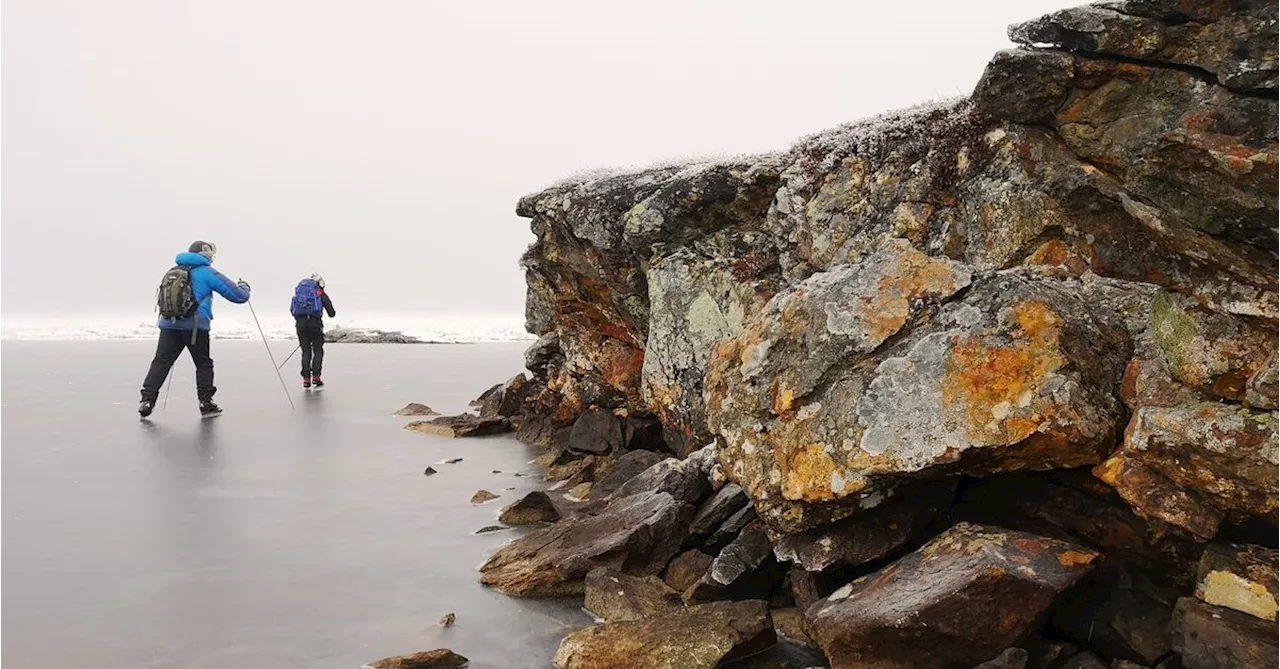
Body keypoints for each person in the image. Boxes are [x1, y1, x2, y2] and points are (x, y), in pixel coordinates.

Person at [138, 241, 251, 418]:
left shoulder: (173, 271)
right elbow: (238, 296)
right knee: (203, 363)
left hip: (169, 325)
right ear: (206, 254)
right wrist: (245, 286)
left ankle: (147, 400)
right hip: (195, 327)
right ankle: (206, 402)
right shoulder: (207, 272)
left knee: (161, 361)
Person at [291, 273, 336, 388]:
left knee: (306, 351)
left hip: (300, 324)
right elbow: (332, 313)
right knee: (318, 350)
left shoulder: (299, 293)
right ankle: (316, 376)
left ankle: (306, 379)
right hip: (315, 323)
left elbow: (292, 310)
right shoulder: (319, 292)